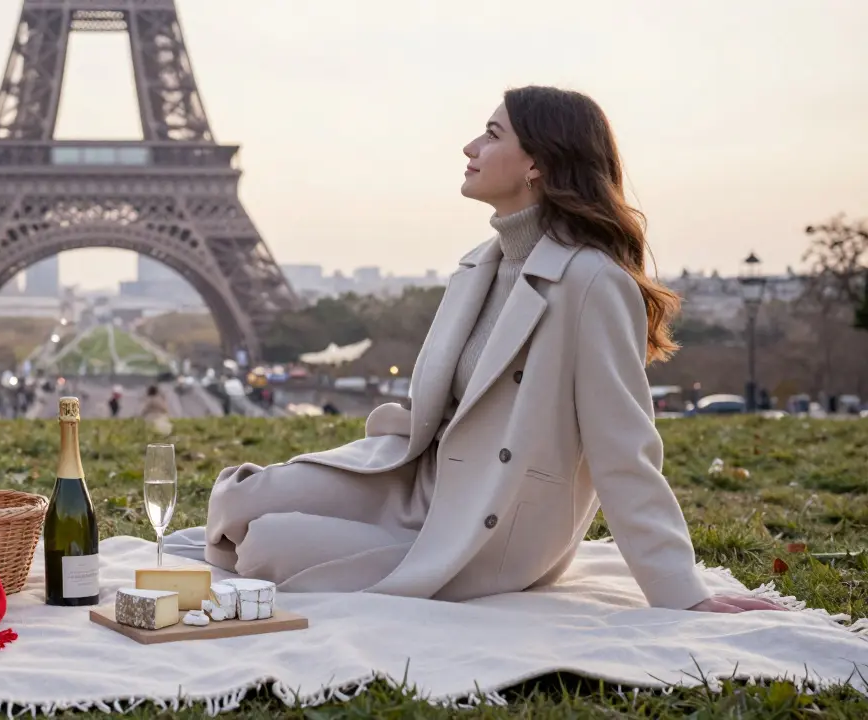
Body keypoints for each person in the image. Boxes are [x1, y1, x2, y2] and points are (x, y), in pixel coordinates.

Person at [203, 86, 785, 615]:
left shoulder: (592, 283)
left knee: (266, 545)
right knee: (240, 499)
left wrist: (681, 592)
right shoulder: (477, 266)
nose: (470, 147)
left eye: (491, 134)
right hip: (416, 478)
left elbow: (624, 450)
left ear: (536, 164)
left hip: (489, 517)